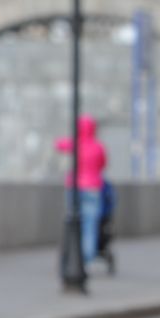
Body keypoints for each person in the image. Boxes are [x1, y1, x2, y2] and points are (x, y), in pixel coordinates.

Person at [54, 114, 107, 285]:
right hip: (92, 188)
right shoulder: (98, 146)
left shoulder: (76, 144)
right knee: (90, 226)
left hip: (74, 187)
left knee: (72, 223)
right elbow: (103, 164)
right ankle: (87, 260)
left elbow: (58, 144)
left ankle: (72, 259)